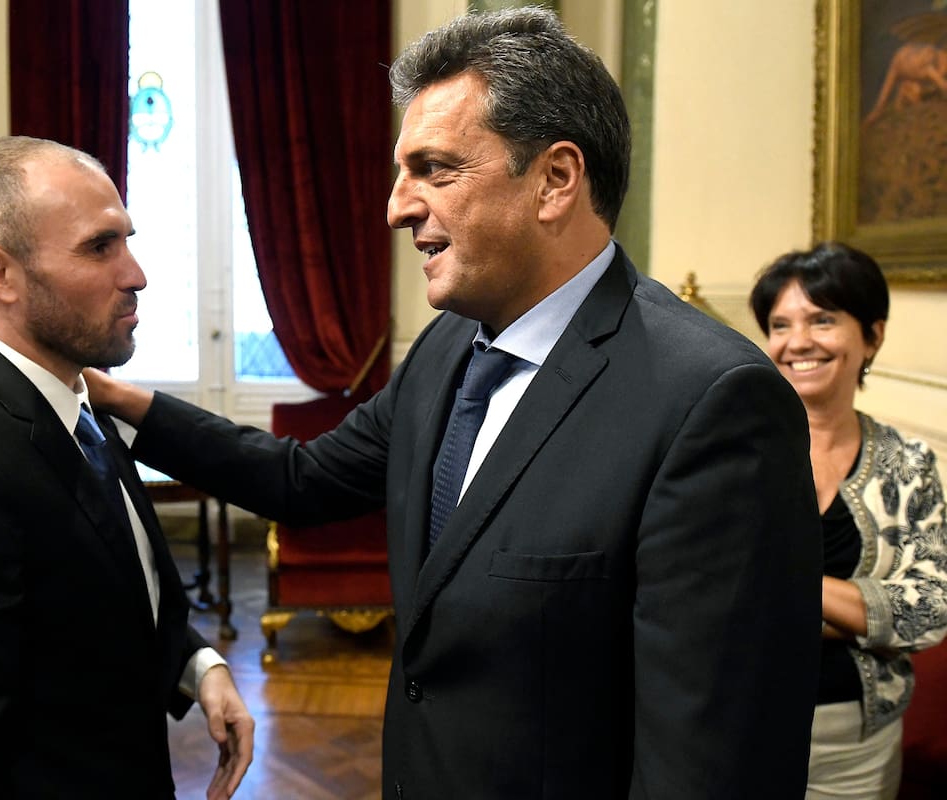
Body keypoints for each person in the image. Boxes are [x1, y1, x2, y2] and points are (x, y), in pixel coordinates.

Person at [84, 7, 824, 798]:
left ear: (555, 180)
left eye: (435, 170)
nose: (397, 207)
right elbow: (301, 482)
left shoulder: (713, 403)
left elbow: (710, 765)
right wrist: (114, 396)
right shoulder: (448, 352)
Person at [0, 136, 253, 800]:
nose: (136, 273)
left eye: (127, 240)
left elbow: (100, 588)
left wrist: (198, 664)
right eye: (99, 247)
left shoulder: (73, 401)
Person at [749, 242, 947, 800]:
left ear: (873, 336)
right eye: (781, 324)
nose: (798, 341)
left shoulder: (907, 464)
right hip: (734, 721)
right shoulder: (732, 452)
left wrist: (785, 591)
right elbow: (697, 595)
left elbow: (929, 611)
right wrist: (861, 609)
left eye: (823, 320)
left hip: (857, 746)